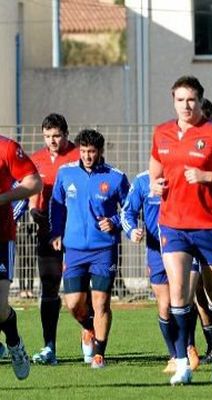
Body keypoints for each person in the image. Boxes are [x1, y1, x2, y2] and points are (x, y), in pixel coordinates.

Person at [149, 75, 212, 385]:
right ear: (173, 101)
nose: (185, 105)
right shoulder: (162, 132)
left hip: (209, 225)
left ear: (200, 101)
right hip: (173, 224)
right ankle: (182, 362)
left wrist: (207, 175)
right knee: (178, 293)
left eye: (191, 99)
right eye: (180, 100)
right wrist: (155, 183)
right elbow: (155, 167)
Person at [49, 129, 129, 369]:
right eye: (83, 151)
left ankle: (99, 354)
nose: (87, 156)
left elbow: (130, 209)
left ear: (100, 152)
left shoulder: (115, 177)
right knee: (73, 303)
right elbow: (57, 206)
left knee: (101, 302)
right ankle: (88, 327)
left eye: (91, 151)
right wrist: (56, 232)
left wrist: (114, 222)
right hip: (73, 250)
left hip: (103, 249)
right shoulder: (65, 174)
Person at [121, 171, 202, 373]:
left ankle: (189, 346)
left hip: (185, 247)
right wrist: (132, 230)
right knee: (165, 306)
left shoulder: (185, 176)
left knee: (184, 300)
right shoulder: (142, 181)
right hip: (157, 252)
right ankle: (174, 355)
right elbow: (127, 212)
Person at [28, 113, 79, 365]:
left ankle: (91, 339)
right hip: (47, 232)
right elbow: (28, 190)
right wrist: (31, 210)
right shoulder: (35, 159)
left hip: (77, 232)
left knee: (79, 292)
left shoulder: (79, 156)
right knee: (49, 288)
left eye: (57, 135)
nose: (52, 141)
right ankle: (49, 346)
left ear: (66, 134)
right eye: (47, 136)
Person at [0, 135, 42, 380]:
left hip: (1, 237)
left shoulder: (6, 148)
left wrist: (4, 198)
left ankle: (14, 343)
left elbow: (34, 182)